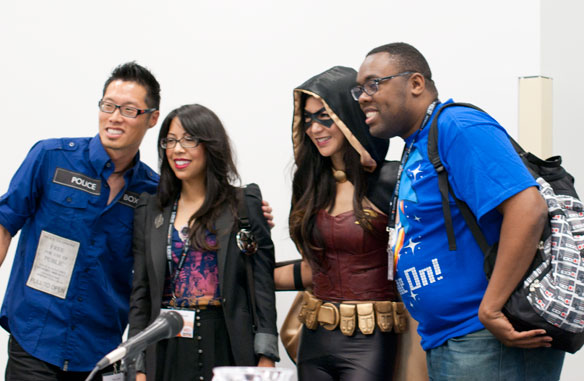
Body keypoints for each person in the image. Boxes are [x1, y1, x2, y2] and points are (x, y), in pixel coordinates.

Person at [354, 42, 566, 380]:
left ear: (416, 83)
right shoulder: (417, 143)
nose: (363, 96)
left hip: (488, 341)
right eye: (359, 89)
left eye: (373, 83)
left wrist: (491, 308)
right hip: (453, 339)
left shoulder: (458, 126)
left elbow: (528, 208)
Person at [0, 62, 160, 380]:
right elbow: (5, 223)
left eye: (129, 110)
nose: (114, 117)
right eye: (108, 106)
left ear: (152, 118)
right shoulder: (51, 158)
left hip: (100, 352)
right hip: (35, 337)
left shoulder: (153, 193)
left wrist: (245, 210)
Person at [280, 65, 412, 380]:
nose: (315, 128)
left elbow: (413, 259)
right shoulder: (309, 183)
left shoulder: (389, 180)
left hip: (371, 338)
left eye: (325, 116)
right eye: (308, 119)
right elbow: (315, 267)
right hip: (314, 333)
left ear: (348, 117)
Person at [128, 104, 279, 381]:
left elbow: (262, 285)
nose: (177, 149)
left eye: (189, 139)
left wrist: (267, 354)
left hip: (226, 339)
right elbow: (141, 293)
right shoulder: (150, 210)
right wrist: (136, 364)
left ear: (211, 145)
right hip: (165, 344)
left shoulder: (243, 204)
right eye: (170, 140)